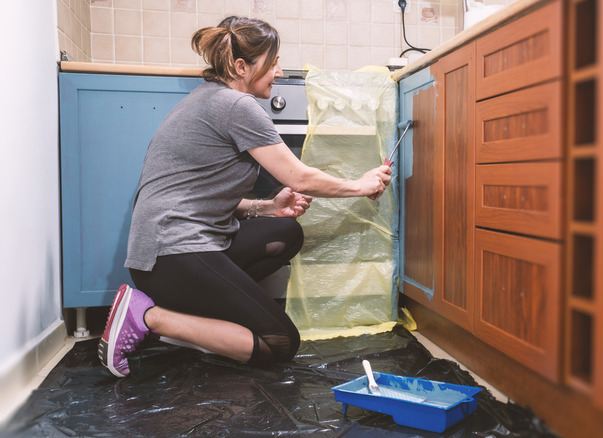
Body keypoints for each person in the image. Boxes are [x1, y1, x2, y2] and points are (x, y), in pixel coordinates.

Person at [98, 16, 392, 378]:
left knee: (285, 233)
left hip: (166, 251)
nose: (280, 72)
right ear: (241, 66)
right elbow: (298, 176)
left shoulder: (210, 100)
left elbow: (196, 190)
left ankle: (193, 317)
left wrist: (266, 207)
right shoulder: (236, 106)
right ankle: (148, 316)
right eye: (272, 63)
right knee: (279, 342)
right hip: (171, 254)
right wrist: (362, 185)